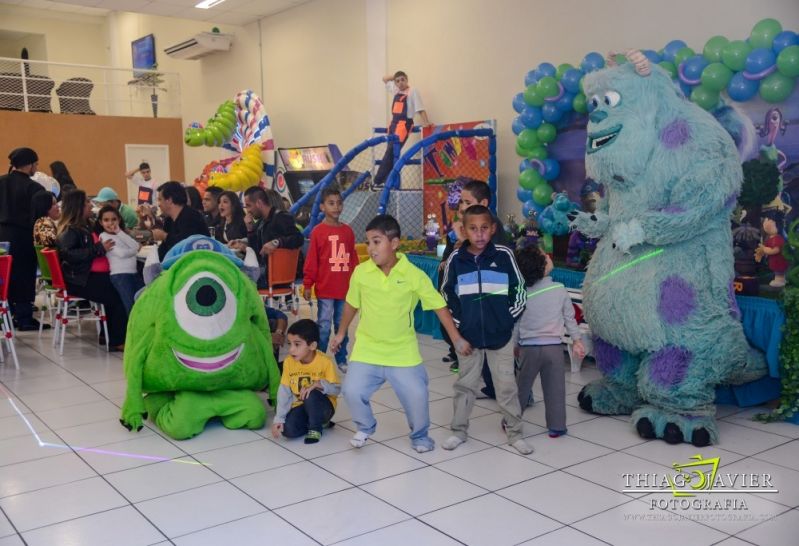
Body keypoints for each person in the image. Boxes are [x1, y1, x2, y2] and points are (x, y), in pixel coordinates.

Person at [329, 215, 470, 453]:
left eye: (376, 242)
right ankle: (366, 426)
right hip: (368, 349)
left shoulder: (413, 274)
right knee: (351, 391)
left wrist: (456, 339)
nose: (370, 249)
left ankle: (420, 436)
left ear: (394, 244)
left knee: (417, 396)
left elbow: (439, 306)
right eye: (368, 242)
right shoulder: (361, 273)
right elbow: (352, 304)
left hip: (402, 351)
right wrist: (341, 333)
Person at [440, 204, 532, 455]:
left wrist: (507, 319)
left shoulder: (504, 255)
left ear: (492, 229)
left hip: (500, 337)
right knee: (465, 386)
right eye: (473, 229)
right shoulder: (456, 261)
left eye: (484, 228)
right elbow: (446, 295)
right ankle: (458, 430)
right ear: (464, 230)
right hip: (468, 338)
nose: (479, 234)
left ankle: (514, 432)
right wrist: (459, 328)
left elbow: (520, 291)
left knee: (506, 387)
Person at [514, 245, 585, 438]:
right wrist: (577, 340)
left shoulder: (522, 293)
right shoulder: (559, 289)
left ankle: (511, 422)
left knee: (521, 388)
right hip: (554, 349)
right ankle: (557, 425)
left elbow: (516, 323)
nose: (548, 256)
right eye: (545, 256)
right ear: (543, 266)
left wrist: (514, 346)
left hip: (528, 349)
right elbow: (570, 319)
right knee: (555, 389)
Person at [56, 190, 127, 350]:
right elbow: (68, 254)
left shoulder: (85, 226)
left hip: (83, 275)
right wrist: (97, 249)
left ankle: (106, 333)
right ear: (78, 207)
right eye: (87, 203)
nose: (91, 205)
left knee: (115, 285)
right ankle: (116, 340)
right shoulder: (71, 230)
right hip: (78, 279)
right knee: (117, 295)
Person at [457, 178, 509, 395]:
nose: (461, 207)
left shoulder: (490, 230)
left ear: (484, 202)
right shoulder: (468, 227)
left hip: (491, 298)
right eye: (461, 202)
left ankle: (509, 391)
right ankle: (491, 387)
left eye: (467, 202)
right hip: (476, 298)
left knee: (497, 351)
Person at [303, 186, 359, 373]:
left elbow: (353, 260)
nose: (336, 207)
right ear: (322, 207)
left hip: (345, 290)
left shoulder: (349, 232)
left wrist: (358, 282)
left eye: (339, 203)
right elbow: (312, 260)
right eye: (331, 203)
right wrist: (308, 283)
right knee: (324, 327)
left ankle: (341, 357)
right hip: (326, 289)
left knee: (342, 326)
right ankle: (319, 359)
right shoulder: (318, 232)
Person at [0, 147, 49, 330]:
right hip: (23, 237)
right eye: (35, 164)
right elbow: (38, 217)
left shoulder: (1, 182)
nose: (36, 167)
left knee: (4, 275)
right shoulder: (34, 187)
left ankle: (6, 315)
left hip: (2, 236)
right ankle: (24, 318)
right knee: (24, 276)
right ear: (29, 165)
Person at [271, 319, 340, 444]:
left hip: (323, 407)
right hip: (301, 406)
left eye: (297, 344)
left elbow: (336, 390)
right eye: (289, 344)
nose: (291, 350)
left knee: (311, 393)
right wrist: (279, 419)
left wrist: (320, 385)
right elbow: (284, 390)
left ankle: (316, 428)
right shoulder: (289, 361)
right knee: (287, 431)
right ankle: (316, 422)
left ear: (312, 346)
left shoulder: (325, 362)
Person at [230, 186, 303, 287]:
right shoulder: (261, 222)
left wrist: (276, 242)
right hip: (264, 271)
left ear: (259, 203)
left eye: (249, 206)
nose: (248, 210)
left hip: (277, 274)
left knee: (236, 279)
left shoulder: (281, 217)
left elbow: (298, 238)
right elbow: (257, 252)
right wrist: (250, 230)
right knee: (232, 272)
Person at [373, 70, 431, 187]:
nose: (400, 83)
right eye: (397, 81)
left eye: (402, 80)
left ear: (407, 80)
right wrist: (394, 76)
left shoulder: (413, 91)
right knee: (389, 152)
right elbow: (384, 79)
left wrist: (426, 122)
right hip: (393, 125)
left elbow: (420, 108)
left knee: (391, 152)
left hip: (404, 125)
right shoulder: (396, 90)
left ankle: (377, 181)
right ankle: (384, 181)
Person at [96, 206, 143, 315]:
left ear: (119, 220)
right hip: (120, 276)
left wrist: (119, 232)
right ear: (100, 222)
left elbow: (135, 245)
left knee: (142, 302)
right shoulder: (103, 236)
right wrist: (134, 250)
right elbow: (121, 253)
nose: (110, 223)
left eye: (114, 219)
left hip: (133, 273)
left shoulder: (121, 235)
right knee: (131, 307)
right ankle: (132, 331)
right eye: (106, 220)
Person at [152, 181, 209, 260]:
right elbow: (164, 249)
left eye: (160, 199)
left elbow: (186, 245)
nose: (159, 204)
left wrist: (164, 236)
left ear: (169, 200)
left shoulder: (192, 216)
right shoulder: (169, 220)